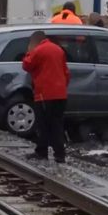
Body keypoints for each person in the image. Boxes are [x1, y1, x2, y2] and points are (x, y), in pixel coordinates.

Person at [22, 31, 70, 163]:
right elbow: (66, 73)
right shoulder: (58, 50)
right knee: (57, 124)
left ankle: (42, 152)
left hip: (45, 94)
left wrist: (29, 51)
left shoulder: (39, 50)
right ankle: (59, 154)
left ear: (34, 42)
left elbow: (26, 65)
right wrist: (62, 87)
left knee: (43, 124)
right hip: (60, 94)